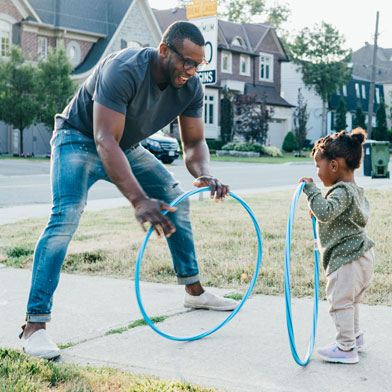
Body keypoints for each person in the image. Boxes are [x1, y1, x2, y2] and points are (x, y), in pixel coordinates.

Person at [20, 21, 238, 359]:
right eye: (187, 62)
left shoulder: (191, 87)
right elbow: (104, 138)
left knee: (175, 198)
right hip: (77, 138)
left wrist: (205, 173)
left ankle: (194, 290)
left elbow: (193, 141)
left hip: (125, 145)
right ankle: (34, 326)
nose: (192, 72)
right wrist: (138, 200)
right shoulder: (124, 67)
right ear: (164, 50)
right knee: (66, 217)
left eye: (199, 65)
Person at [299, 128, 375, 364]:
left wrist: (311, 191)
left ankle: (345, 348)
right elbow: (335, 214)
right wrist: (321, 208)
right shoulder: (354, 191)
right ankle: (355, 337)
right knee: (349, 301)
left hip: (347, 259)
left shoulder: (340, 190)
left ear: (333, 166)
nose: (317, 173)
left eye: (317, 166)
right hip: (362, 257)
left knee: (339, 302)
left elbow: (326, 211)